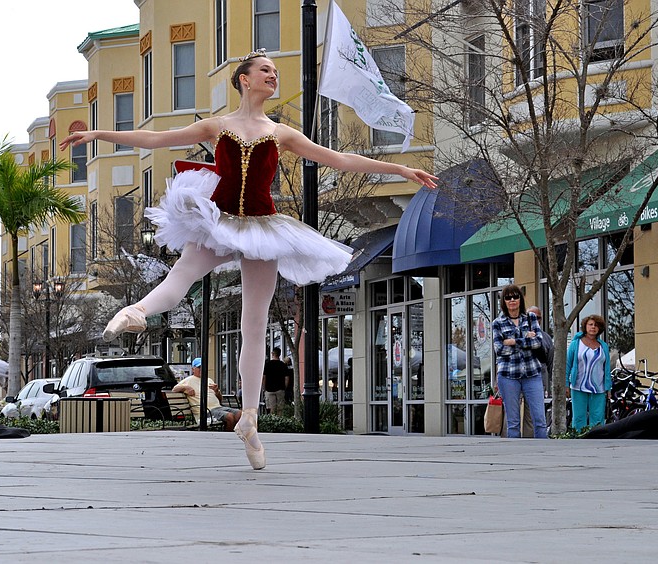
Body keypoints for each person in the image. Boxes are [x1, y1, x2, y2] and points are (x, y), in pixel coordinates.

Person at [60, 50, 437, 470]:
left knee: (254, 322)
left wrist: (401, 170)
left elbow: (339, 159)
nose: (273, 76)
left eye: (276, 72)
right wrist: (98, 135)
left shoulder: (280, 133)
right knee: (181, 278)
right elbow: (155, 139)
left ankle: (250, 420)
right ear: (244, 80)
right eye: (265, 71)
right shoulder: (216, 126)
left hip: (261, 227)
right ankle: (135, 311)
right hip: (217, 219)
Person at [491, 284, 548, 438]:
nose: (512, 300)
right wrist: (525, 340)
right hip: (508, 375)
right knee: (513, 421)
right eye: (508, 297)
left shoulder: (530, 318)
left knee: (539, 419)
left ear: (520, 299)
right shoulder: (497, 323)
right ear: (504, 301)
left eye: (515, 296)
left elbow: (537, 342)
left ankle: (545, 453)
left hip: (532, 373)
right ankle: (514, 455)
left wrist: (512, 341)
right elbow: (500, 350)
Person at [566, 314, 612, 431]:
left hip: (599, 387)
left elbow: (606, 368)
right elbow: (567, 364)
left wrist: (608, 387)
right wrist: (566, 384)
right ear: (585, 326)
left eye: (596, 325)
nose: (593, 327)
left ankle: (597, 441)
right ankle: (578, 441)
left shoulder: (603, 346)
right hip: (578, 386)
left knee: (598, 418)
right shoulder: (576, 343)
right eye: (590, 324)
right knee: (579, 418)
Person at [173, 358, 240, 431]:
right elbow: (174, 389)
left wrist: (217, 391)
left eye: (203, 367)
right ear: (193, 369)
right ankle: (228, 436)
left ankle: (237, 434)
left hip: (218, 407)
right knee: (230, 417)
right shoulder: (188, 380)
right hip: (206, 411)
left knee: (241, 414)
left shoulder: (209, 380)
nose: (202, 369)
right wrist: (186, 387)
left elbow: (220, 400)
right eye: (199, 367)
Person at [521, 306, 553, 436]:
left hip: (538, 381)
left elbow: (551, 363)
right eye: (530, 316)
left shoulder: (545, 338)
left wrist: (552, 386)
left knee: (536, 415)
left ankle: (534, 443)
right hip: (517, 380)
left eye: (537, 317)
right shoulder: (516, 333)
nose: (534, 319)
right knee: (514, 417)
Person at [263, 347, 289, 416]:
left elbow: (264, 377)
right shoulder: (283, 365)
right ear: (279, 354)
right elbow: (286, 378)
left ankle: (273, 424)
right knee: (280, 409)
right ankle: (280, 423)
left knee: (272, 409)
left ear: (272, 354)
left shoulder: (267, 364)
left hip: (269, 389)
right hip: (280, 389)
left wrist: (264, 388)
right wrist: (284, 387)